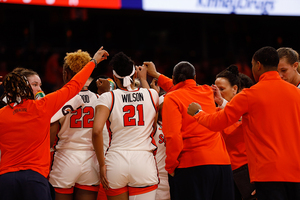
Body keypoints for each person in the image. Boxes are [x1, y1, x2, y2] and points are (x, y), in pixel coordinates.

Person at [188, 46, 300, 200]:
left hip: (268, 173)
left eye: (252, 65)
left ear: (258, 65)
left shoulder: (249, 95)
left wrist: (197, 113)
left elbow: (216, 123)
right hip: (296, 171)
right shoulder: (296, 93)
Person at [0, 46, 108, 200]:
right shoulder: (43, 106)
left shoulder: (3, 113)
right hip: (79, 163)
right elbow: (74, 85)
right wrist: (94, 62)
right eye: (35, 85)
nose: (39, 89)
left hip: (11, 176)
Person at [145, 61, 234, 200]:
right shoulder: (206, 91)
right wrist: (157, 75)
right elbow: (184, 87)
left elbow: (173, 136)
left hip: (192, 165)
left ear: (174, 79)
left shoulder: (172, 98)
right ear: (196, 77)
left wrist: (171, 167)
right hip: (222, 165)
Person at [92, 52, 159, 200]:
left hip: (115, 161)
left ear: (114, 77)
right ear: (134, 74)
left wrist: (102, 165)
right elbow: (153, 126)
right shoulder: (152, 95)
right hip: (143, 161)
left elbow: (96, 131)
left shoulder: (107, 97)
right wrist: (143, 79)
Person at [48, 49, 109, 200]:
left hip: (65, 158)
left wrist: (49, 150)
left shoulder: (62, 97)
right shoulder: (100, 98)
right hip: (91, 159)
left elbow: (52, 125)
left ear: (66, 73)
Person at [212, 65, 256, 200]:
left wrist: (221, 101)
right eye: (216, 89)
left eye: (222, 89)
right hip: (225, 171)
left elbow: (238, 116)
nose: (218, 93)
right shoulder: (216, 113)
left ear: (235, 89)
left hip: (247, 170)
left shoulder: (247, 108)